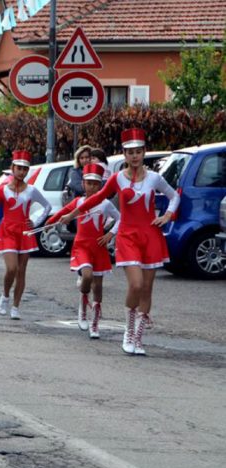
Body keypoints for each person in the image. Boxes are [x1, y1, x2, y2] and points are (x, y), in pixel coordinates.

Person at [59, 129, 180, 356]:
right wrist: (73, 213)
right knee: (135, 285)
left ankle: (138, 336)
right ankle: (128, 331)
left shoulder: (154, 178)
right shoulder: (117, 178)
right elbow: (97, 198)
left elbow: (175, 196)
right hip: (127, 237)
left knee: (146, 288)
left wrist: (167, 216)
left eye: (138, 152)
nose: (134, 156)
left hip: (151, 236)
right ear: (124, 154)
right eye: (130, 152)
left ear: (144, 153)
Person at [46, 164, 120, 338]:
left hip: (99, 247)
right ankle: (83, 304)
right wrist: (48, 222)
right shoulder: (78, 202)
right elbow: (63, 212)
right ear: (83, 184)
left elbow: (120, 219)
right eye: (89, 183)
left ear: (101, 186)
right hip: (81, 246)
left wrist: (110, 234)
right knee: (87, 276)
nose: (92, 186)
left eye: (96, 183)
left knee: (99, 287)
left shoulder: (105, 204)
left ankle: (95, 323)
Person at [0, 150, 52, 320]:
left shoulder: (32, 190)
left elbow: (47, 207)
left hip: (25, 233)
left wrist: (36, 222)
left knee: (21, 271)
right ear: (12, 168)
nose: (22, 172)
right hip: (7, 231)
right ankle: (5, 295)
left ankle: (16, 306)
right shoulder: (3, 190)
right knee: (12, 268)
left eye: (25, 169)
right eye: (19, 168)